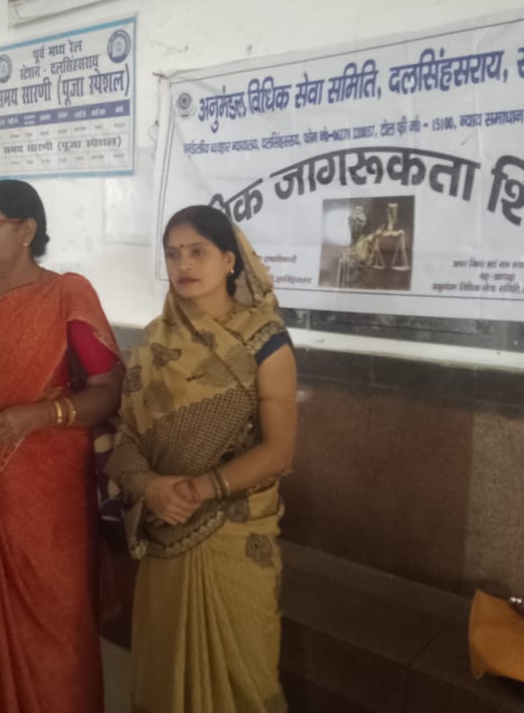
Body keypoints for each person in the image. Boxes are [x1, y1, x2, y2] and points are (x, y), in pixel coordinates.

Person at [0, 179, 123, 713]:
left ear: (27, 231)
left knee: (57, 618)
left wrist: (40, 415)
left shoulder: (67, 293)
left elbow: (108, 390)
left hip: (50, 495)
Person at [106, 205, 298, 713]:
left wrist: (199, 489)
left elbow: (279, 451)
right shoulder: (154, 341)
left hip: (235, 530)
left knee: (245, 674)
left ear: (230, 260)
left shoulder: (266, 341)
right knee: (166, 666)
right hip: (165, 524)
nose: (184, 265)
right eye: (173, 254)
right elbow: (125, 436)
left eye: (198, 252)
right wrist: (150, 488)